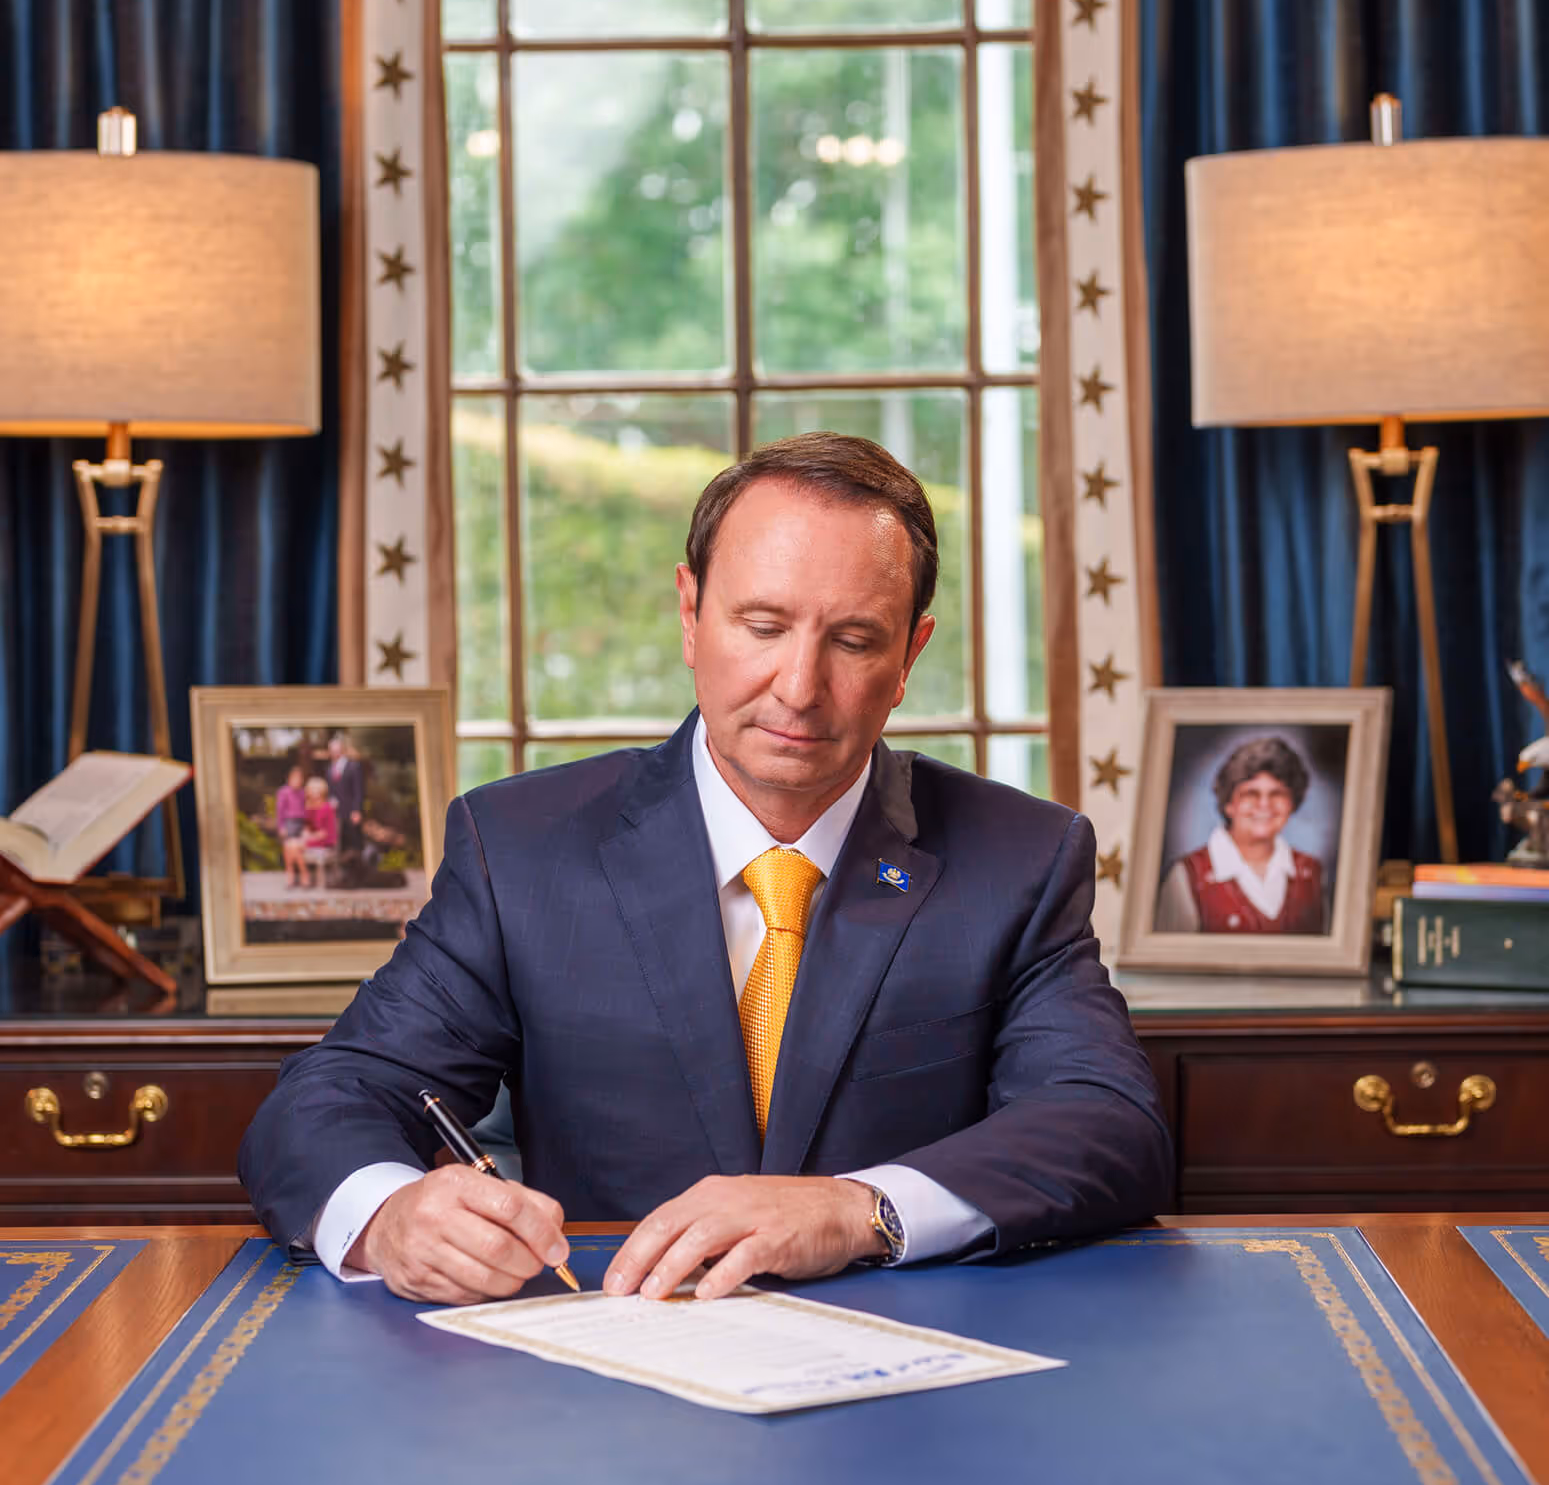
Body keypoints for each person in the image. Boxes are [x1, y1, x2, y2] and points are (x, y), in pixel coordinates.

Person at [240, 434, 1171, 1306]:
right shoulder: (520, 844)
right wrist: (392, 1214)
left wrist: (858, 1208)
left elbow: (1106, 1123)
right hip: (609, 1368)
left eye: (852, 641)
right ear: (690, 614)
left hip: (918, 1376)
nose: (798, 688)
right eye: (760, 625)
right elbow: (330, 1098)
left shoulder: (1020, 855)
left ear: (908, 657)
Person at [1153, 735, 1327, 935]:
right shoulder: (1187, 877)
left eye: (1277, 794)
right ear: (1228, 804)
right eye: (1250, 794)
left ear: (1292, 803)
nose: (1264, 805)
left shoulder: (1313, 874)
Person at [327, 734, 367, 887]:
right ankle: (345, 877)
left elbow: (359, 790)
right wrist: (331, 800)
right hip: (338, 814)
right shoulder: (330, 768)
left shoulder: (353, 766)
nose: (334, 752)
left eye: (336, 749)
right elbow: (332, 790)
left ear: (342, 750)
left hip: (352, 812)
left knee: (355, 844)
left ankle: (359, 876)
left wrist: (357, 810)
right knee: (342, 845)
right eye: (331, 750)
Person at [275, 765, 309, 889]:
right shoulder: (283, 792)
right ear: (289, 779)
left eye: (299, 778)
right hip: (289, 823)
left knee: (294, 848)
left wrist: (306, 827)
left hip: (300, 823)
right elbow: (280, 811)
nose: (297, 781)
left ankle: (300, 874)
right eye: (294, 778)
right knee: (288, 849)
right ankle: (293, 874)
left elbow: (307, 811)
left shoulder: (303, 793)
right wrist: (281, 827)